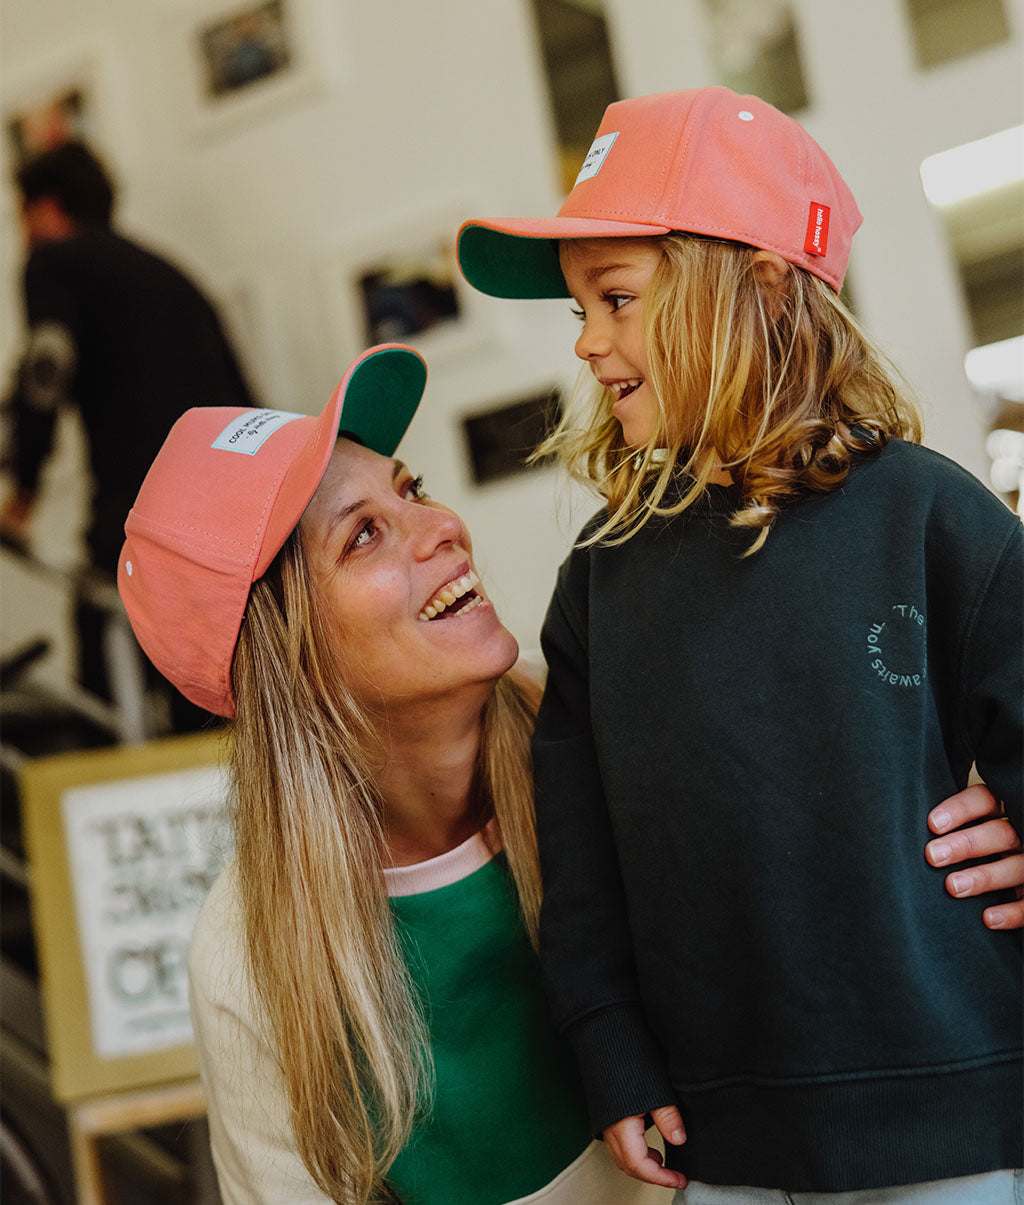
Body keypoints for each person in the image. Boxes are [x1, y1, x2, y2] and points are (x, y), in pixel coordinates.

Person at [118, 343, 1012, 1205]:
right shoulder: (247, 951)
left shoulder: (630, 743)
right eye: (364, 537)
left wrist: (989, 840)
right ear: (292, 663)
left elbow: (851, 814)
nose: (442, 528)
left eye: (412, 489)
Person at [456, 87, 1023, 1202]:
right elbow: (582, 876)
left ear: (761, 293)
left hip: (954, 1115)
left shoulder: (929, 515)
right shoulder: (598, 584)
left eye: (614, 298)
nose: (587, 342)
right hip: (717, 1136)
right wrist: (609, 1054)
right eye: (582, 308)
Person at [3, 140, 255, 722]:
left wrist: (23, 495)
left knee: (106, 693)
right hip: (225, 522)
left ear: (48, 208)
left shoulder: (53, 260)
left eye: (21, 215)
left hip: (140, 512)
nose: (21, 234)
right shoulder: (173, 277)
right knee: (212, 705)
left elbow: (47, 364)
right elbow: (244, 402)